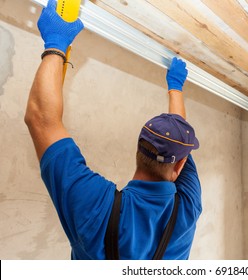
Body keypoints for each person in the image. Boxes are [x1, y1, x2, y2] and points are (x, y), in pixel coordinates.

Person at [25, 0, 201, 260]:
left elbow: (42, 119)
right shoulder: (187, 207)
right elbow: (40, 119)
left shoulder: (99, 209)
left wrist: (56, 41)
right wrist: (175, 86)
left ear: (138, 149)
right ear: (179, 166)